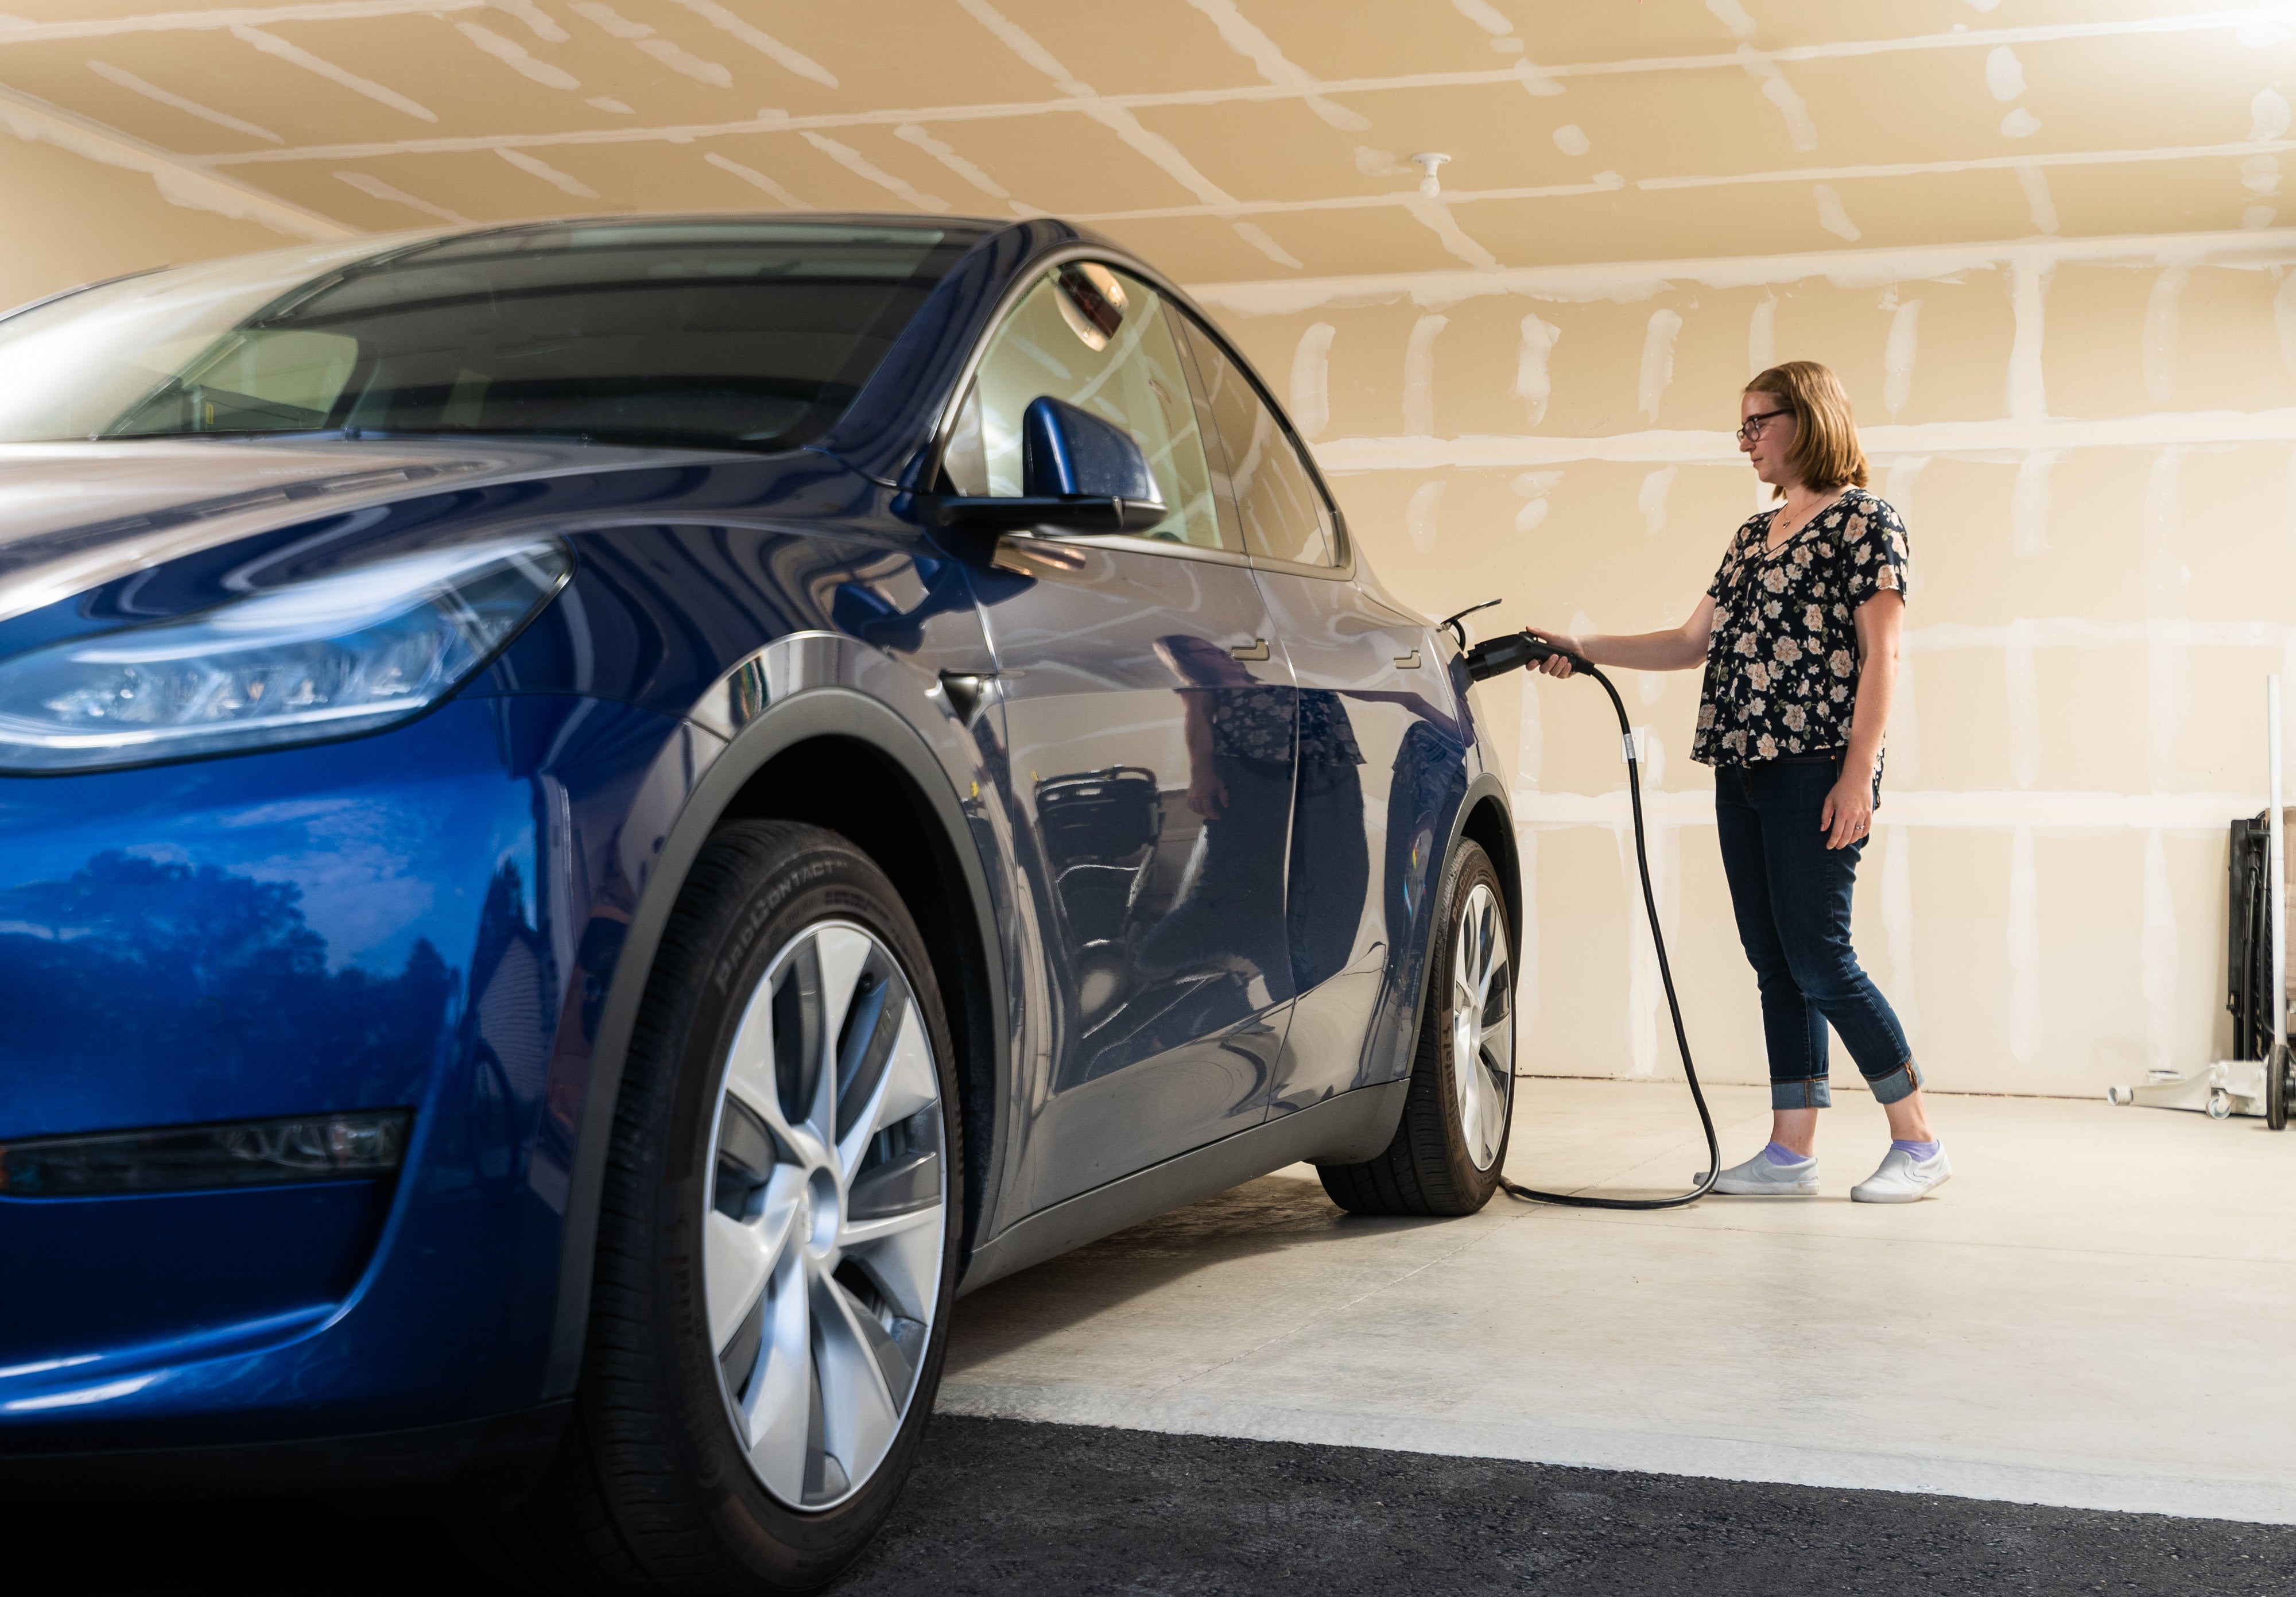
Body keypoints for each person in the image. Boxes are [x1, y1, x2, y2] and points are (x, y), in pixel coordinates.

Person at [1526, 361, 1947, 1203]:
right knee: (1775, 963)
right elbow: (1691, 643)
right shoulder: (1753, 536)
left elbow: (1884, 654)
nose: (1747, 440)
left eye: (1761, 421)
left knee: (1822, 956)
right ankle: (1792, 1150)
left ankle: (1919, 1139)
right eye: (1742, 427)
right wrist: (1587, 646)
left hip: (1817, 769)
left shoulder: (1865, 521)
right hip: (1743, 770)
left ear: (1811, 418)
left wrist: (1857, 774)